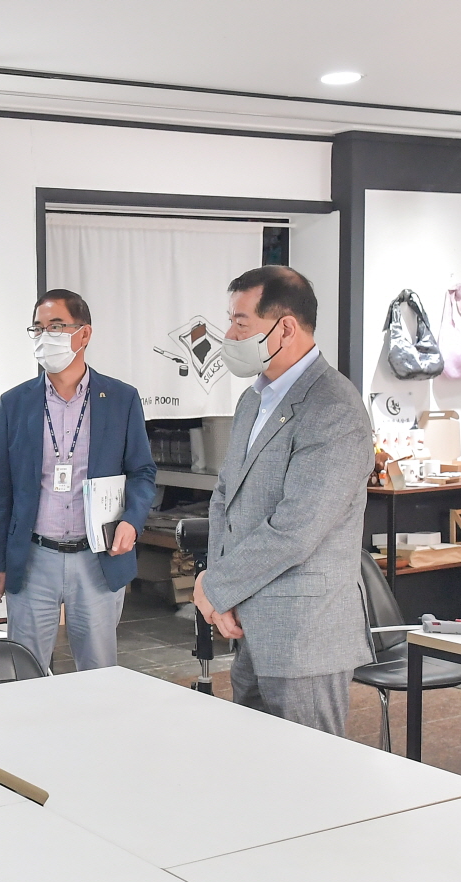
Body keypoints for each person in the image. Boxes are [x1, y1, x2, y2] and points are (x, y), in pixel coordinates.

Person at [192, 266, 372, 735]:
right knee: (254, 764)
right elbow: (225, 497)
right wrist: (219, 590)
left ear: (286, 327)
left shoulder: (333, 408)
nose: (229, 335)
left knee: (311, 770)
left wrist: (216, 587)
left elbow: (296, 529)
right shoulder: (253, 400)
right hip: (250, 624)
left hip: (304, 635)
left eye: (241, 323)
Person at [0, 289, 157, 672]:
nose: (45, 336)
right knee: (24, 671)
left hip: (96, 558)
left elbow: (142, 471)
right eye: (38, 328)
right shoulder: (15, 403)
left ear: (84, 334)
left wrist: (132, 521)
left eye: (57, 326)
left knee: (98, 673)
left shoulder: (121, 399)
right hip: (33, 559)